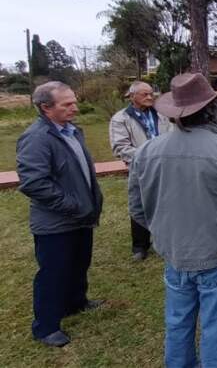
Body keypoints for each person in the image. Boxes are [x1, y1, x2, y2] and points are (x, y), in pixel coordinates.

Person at [128, 73, 217, 367]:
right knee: (216, 324)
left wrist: (164, 232)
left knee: (177, 322)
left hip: (174, 253)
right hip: (216, 254)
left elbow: (137, 208)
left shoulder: (146, 152)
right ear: (212, 108)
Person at [16, 81, 104, 347]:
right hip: (57, 222)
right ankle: (46, 327)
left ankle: (76, 302)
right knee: (53, 273)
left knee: (79, 263)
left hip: (80, 217)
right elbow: (33, 183)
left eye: (74, 102)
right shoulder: (36, 138)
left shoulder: (72, 131)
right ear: (46, 108)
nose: (75, 108)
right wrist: (73, 205)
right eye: (67, 104)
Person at [109, 80, 171, 261]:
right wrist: (148, 157)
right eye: (145, 94)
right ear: (132, 96)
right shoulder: (120, 119)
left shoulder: (162, 115)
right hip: (141, 168)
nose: (150, 97)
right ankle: (140, 246)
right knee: (140, 204)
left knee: (165, 204)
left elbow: (172, 135)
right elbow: (120, 147)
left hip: (164, 166)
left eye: (151, 93)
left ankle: (165, 241)